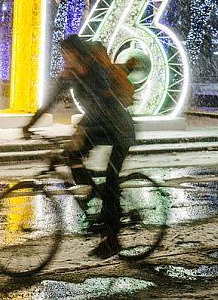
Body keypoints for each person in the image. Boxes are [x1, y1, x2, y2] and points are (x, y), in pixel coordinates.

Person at [23, 35, 136, 259]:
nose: (65, 58)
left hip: (118, 128)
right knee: (70, 156)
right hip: (96, 126)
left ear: (78, 53)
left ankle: (113, 238)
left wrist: (83, 129)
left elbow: (103, 105)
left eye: (68, 54)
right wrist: (30, 124)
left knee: (112, 177)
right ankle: (95, 194)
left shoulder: (97, 72)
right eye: (63, 54)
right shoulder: (70, 75)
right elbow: (51, 101)